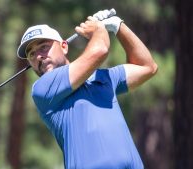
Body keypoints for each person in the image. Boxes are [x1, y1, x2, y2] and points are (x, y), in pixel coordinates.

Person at [16, 9, 157, 169]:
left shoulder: (102, 77)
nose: (38, 56)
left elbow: (147, 67)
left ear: (64, 46)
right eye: (32, 54)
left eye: (44, 47)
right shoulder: (43, 89)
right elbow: (100, 50)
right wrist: (98, 30)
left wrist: (118, 26)